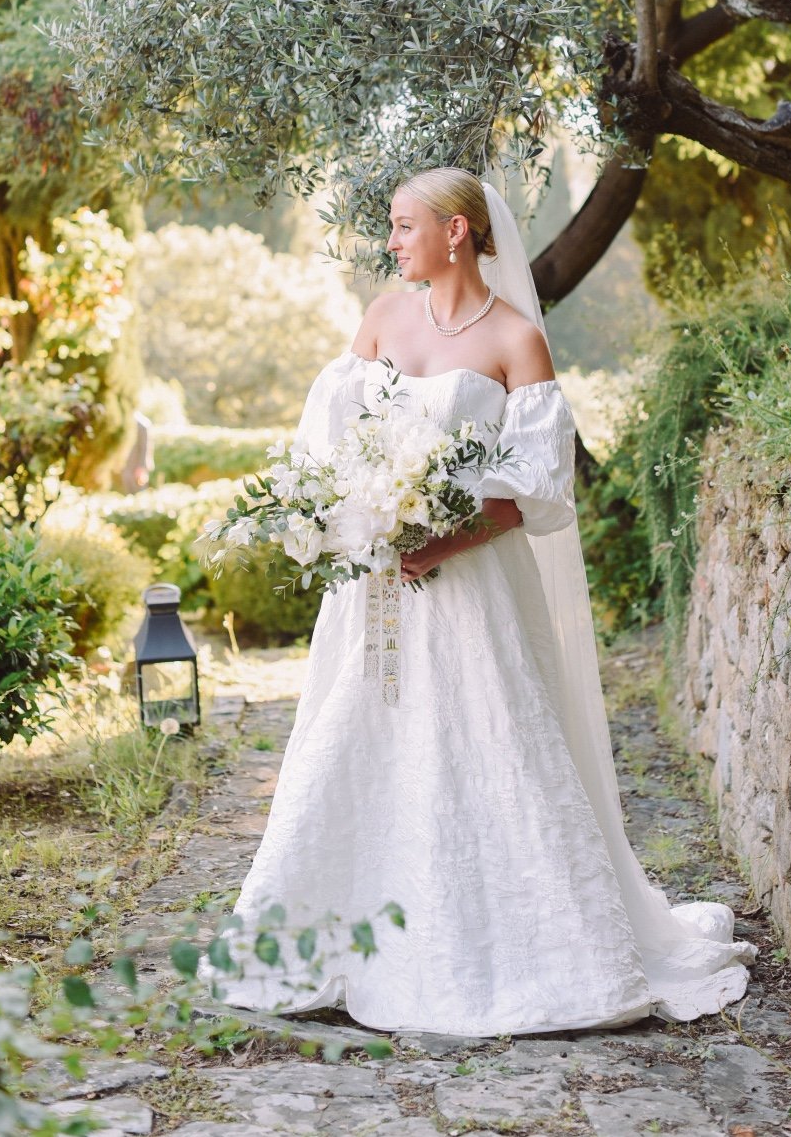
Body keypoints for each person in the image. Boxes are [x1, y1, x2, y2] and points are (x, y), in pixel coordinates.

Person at [201, 167, 754, 1035]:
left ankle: (502, 948)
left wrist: (441, 539)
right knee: (357, 736)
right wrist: (358, 519)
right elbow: (329, 450)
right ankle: (334, 943)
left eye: (401, 224)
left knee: (484, 742)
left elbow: (537, 485)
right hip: (374, 593)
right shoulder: (383, 319)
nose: (390, 241)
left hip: (474, 586)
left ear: (456, 230)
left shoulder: (515, 338)